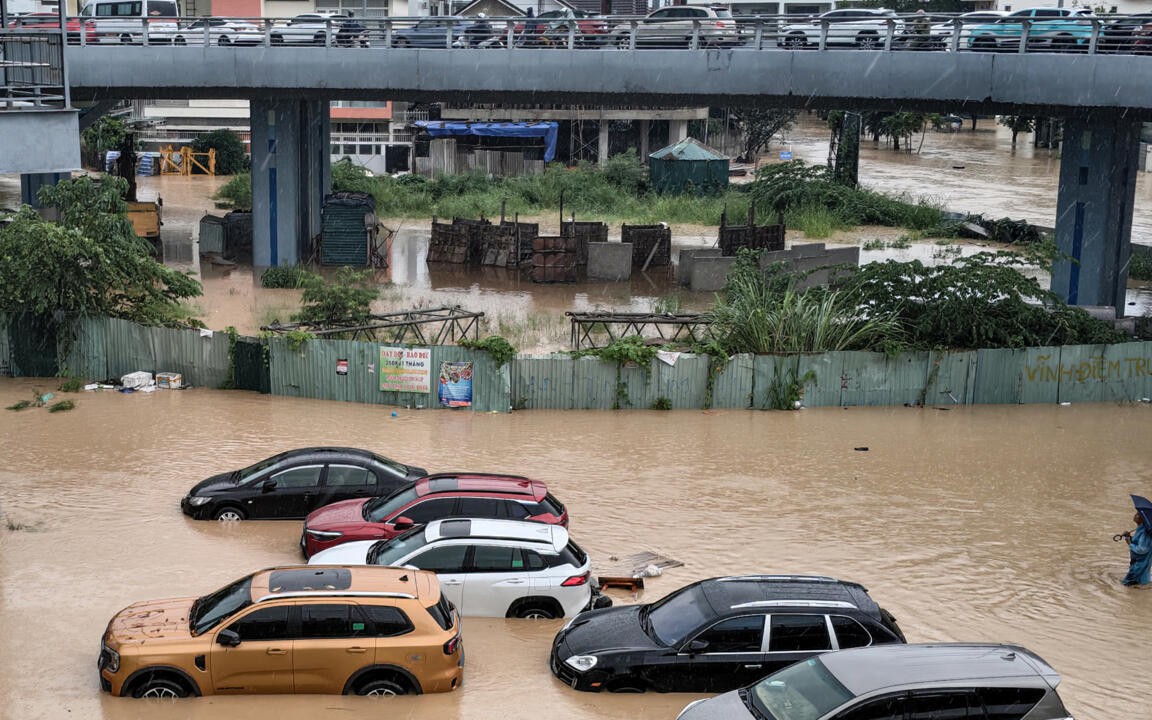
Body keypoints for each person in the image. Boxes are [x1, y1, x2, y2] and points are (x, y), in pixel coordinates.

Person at [1121, 509, 1151, 586]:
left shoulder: (1145, 532)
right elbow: (1137, 542)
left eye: (1138, 514)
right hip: (1139, 564)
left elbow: (1141, 549)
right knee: (1139, 586)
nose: (1135, 515)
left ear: (1143, 518)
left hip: (1140, 565)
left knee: (1126, 584)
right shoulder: (1140, 529)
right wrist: (1128, 537)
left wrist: (1129, 542)